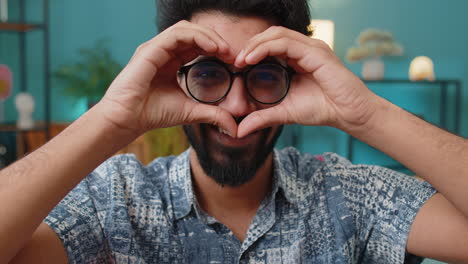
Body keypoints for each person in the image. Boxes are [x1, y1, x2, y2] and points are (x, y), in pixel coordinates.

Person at [2, 0, 468, 263]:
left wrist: (364, 114)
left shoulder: (351, 195)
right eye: (209, 75)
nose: (238, 106)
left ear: (296, 79)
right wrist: (112, 118)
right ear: (174, 79)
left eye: (265, 76)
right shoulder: (115, 200)